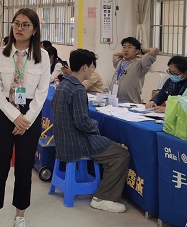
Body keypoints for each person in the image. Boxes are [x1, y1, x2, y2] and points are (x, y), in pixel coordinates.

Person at [0, 8, 50, 227]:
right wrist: (14, 116)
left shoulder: (42, 56)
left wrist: (25, 119)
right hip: (4, 111)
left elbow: (42, 92)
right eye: (16, 23)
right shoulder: (1, 53)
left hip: (30, 115)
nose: (19, 28)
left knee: (24, 169)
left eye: (26, 25)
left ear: (34, 29)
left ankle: (20, 217)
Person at [52, 49, 131, 213]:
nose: (93, 70)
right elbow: (82, 122)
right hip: (77, 142)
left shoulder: (62, 84)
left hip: (62, 140)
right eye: (92, 67)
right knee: (121, 154)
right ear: (85, 67)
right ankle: (103, 198)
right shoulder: (77, 89)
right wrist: (95, 126)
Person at [110, 37, 159, 103]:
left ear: (137, 50)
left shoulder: (140, 64)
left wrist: (140, 51)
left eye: (129, 47)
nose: (126, 50)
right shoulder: (120, 62)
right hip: (114, 101)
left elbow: (155, 50)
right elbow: (115, 55)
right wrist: (129, 52)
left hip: (130, 103)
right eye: (124, 47)